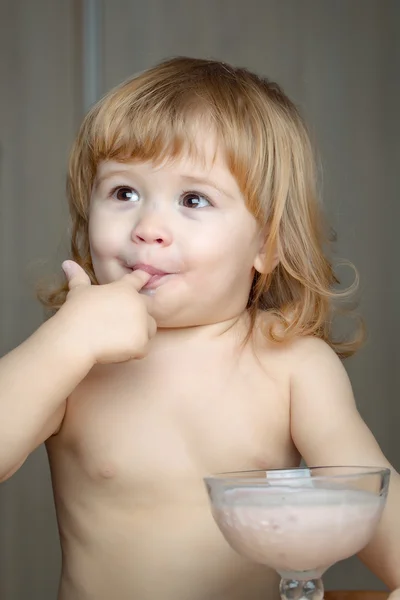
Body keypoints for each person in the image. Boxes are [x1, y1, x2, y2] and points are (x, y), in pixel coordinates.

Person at [0, 56, 398, 600]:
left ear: (266, 245)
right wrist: (65, 342)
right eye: (123, 193)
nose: (148, 229)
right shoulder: (75, 363)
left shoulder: (290, 364)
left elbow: (370, 501)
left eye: (194, 199)